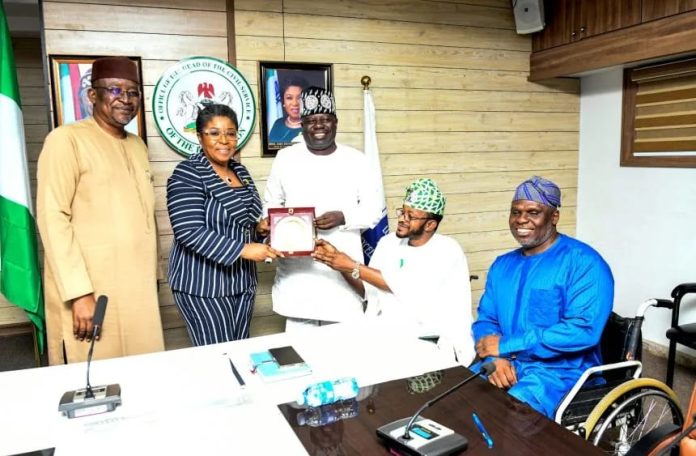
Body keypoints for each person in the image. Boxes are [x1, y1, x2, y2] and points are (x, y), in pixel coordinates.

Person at [37, 56, 164, 364]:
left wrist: (154, 275)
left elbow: (145, 216)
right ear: (93, 95)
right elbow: (53, 218)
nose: (126, 100)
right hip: (91, 287)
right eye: (115, 90)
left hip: (138, 287)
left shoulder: (137, 146)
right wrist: (79, 293)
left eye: (132, 92)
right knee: (94, 374)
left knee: (144, 370)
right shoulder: (65, 140)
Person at [472, 176, 614, 418]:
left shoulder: (585, 263)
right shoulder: (502, 265)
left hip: (561, 372)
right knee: (459, 398)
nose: (521, 220)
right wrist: (496, 356)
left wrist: (506, 346)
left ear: (554, 216)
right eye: (515, 212)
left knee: (508, 414)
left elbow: (582, 330)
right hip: (505, 362)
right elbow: (487, 320)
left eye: (533, 212)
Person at [313, 178, 475, 365]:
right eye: (402, 212)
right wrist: (337, 261)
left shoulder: (446, 250)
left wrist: (351, 265)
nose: (402, 219)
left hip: (433, 345)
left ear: (430, 225)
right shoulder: (388, 243)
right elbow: (367, 289)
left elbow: (404, 286)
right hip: (388, 339)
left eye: (411, 216)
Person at [264, 86, 382, 331]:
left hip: (341, 276)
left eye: (325, 119)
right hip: (298, 276)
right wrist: (273, 229)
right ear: (302, 124)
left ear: (335, 122)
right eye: (311, 120)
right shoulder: (286, 158)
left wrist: (343, 217)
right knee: (298, 350)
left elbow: (373, 211)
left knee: (344, 350)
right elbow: (271, 204)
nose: (319, 125)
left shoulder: (357, 160)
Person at [167, 104, 282, 346]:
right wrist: (243, 249)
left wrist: (258, 229)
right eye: (214, 133)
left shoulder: (240, 171)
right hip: (203, 285)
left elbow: (242, 222)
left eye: (230, 133)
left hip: (241, 281)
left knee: (240, 350)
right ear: (200, 137)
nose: (224, 140)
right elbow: (188, 231)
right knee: (218, 355)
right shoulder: (188, 173)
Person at [268, 78, 305, 144]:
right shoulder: (278, 123)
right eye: (289, 98)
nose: (295, 103)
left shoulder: (312, 126)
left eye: (299, 98)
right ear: (283, 101)